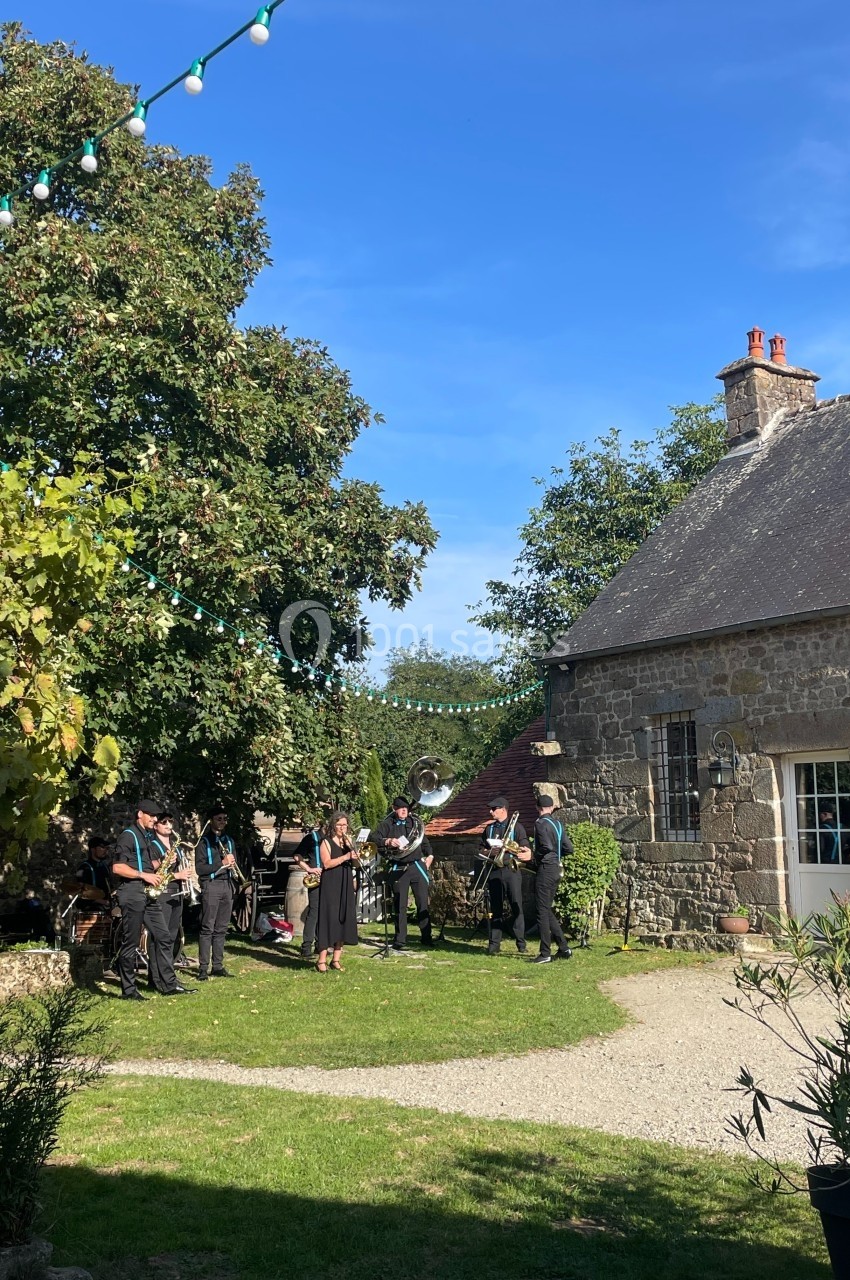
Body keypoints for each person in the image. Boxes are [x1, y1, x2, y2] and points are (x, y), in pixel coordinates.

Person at [111, 799, 194, 1000]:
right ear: (140, 814)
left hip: (148, 893)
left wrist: (163, 862)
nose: (155, 819)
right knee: (131, 943)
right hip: (132, 892)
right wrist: (144, 875)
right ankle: (129, 991)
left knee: (164, 937)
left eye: (156, 816)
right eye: (151, 815)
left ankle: (168, 984)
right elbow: (117, 867)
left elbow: (147, 864)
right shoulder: (128, 836)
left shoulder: (146, 836)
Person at [516, 795, 573, 964]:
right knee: (546, 909)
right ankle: (564, 948)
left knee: (541, 911)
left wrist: (532, 856)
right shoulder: (558, 824)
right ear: (552, 807)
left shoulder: (540, 823)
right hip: (556, 868)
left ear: (537, 807)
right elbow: (568, 848)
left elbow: (546, 847)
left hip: (545, 869)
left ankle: (545, 953)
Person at [374, 796, 434, 949]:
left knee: (423, 903)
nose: (404, 811)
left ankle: (426, 937)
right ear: (394, 809)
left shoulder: (414, 822)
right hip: (398, 867)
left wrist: (430, 856)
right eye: (401, 808)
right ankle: (400, 939)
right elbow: (374, 838)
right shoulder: (387, 824)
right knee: (400, 905)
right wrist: (388, 841)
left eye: (406, 808)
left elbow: (423, 841)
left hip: (416, 866)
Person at [147, 811, 194, 991]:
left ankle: (164, 977)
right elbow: (152, 871)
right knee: (161, 938)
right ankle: (161, 980)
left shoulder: (176, 845)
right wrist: (177, 875)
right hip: (162, 894)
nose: (168, 825)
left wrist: (186, 876)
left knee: (172, 937)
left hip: (176, 893)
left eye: (170, 822)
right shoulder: (153, 845)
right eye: (164, 822)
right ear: (156, 825)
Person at [479, 795, 529, 955]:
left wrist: (509, 848)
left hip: (511, 870)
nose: (491, 811)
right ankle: (494, 944)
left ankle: (521, 943)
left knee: (516, 905)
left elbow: (525, 848)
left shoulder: (517, 827)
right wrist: (489, 851)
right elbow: (481, 848)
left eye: (494, 809)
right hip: (494, 870)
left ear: (503, 810)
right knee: (496, 907)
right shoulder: (489, 829)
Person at [195, 806, 237, 980]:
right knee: (207, 928)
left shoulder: (229, 840)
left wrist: (232, 866)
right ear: (211, 820)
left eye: (224, 819)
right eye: (219, 819)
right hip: (211, 884)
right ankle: (203, 968)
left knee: (221, 928)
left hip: (227, 884)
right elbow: (200, 869)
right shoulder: (204, 842)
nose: (222, 822)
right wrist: (222, 863)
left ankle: (218, 966)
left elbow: (233, 863)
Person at [315, 811, 358, 972]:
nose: (342, 828)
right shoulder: (326, 842)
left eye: (345, 825)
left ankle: (336, 959)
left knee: (343, 918)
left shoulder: (348, 843)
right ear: (333, 826)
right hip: (331, 883)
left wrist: (353, 852)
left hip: (345, 882)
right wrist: (346, 857)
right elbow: (326, 863)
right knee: (329, 919)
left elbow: (356, 865)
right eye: (339, 825)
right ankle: (321, 960)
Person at [293, 823, 324, 959]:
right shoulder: (311, 838)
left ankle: (320, 945)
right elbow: (297, 856)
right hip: (316, 879)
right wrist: (309, 869)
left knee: (325, 913)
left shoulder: (333, 839)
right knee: (314, 912)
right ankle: (306, 947)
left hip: (330, 879)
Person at [76, 836, 112, 902]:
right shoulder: (84, 867)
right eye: (102, 847)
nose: (105, 850)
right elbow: (80, 891)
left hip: (106, 905)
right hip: (91, 906)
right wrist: (101, 901)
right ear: (93, 849)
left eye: (106, 848)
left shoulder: (104, 866)